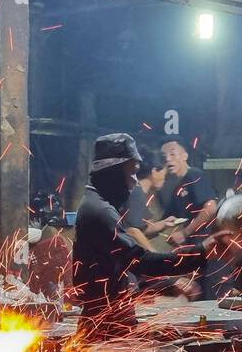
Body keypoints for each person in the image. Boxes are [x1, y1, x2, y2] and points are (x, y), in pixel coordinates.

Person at [70, 133, 192, 339]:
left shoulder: (97, 204)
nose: (135, 181)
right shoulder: (100, 211)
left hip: (110, 316)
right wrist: (201, 254)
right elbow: (140, 260)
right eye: (133, 172)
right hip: (105, 325)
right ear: (113, 172)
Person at [159, 136, 219, 247]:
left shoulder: (194, 175)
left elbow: (210, 208)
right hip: (194, 247)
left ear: (185, 156)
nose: (167, 159)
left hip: (206, 245)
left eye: (172, 154)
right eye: (164, 156)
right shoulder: (177, 188)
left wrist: (184, 233)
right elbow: (166, 219)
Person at [124, 157, 178, 251]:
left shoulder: (140, 192)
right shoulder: (136, 192)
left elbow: (141, 229)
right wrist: (154, 255)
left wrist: (164, 223)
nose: (165, 179)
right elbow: (132, 231)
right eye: (164, 174)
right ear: (154, 172)